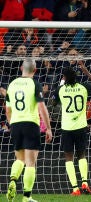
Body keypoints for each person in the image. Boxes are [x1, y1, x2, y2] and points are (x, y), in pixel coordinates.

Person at [5, 59, 53, 202]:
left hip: (15, 124)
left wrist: (12, 124)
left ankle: (13, 180)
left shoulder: (12, 84)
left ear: (21, 68)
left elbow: (8, 110)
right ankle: (27, 197)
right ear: (35, 70)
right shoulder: (34, 84)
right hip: (31, 124)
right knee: (31, 163)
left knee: (19, 158)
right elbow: (41, 107)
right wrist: (48, 128)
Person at [51, 64, 91, 196]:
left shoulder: (60, 90)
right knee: (81, 155)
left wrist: (61, 84)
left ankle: (75, 189)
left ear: (64, 78)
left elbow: (53, 104)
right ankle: (85, 183)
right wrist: (88, 74)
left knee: (69, 157)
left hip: (67, 128)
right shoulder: (84, 86)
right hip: (81, 127)